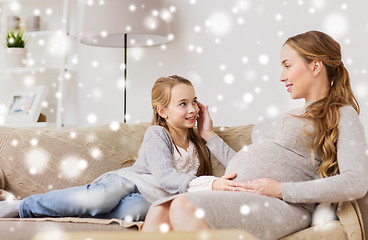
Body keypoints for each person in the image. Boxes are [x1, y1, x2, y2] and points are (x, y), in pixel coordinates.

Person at [142, 31, 368, 239]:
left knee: (183, 206)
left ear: (316, 66)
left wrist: (281, 190)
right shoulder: (292, 114)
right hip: (245, 193)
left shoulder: (341, 113)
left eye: (287, 66)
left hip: (284, 205)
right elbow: (246, 169)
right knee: (159, 211)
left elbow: (357, 182)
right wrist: (210, 137)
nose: (282, 76)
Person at [0, 75, 239, 220]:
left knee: (133, 213)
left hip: (151, 199)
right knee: (99, 200)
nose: (192, 109)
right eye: (183, 104)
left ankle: (66, 213)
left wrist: (208, 134)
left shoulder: (199, 143)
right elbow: (166, 178)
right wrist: (211, 183)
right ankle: (23, 206)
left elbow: (239, 165)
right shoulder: (157, 134)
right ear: (162, 111)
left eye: (194, 101)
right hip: (127, 183)